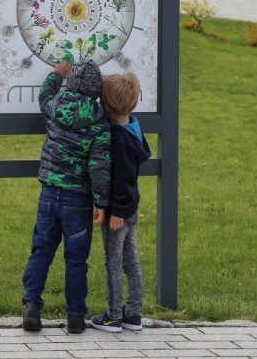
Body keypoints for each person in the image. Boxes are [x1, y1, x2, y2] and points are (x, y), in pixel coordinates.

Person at [21, 59, 111, 334]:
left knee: (41, 251)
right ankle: (75, 317)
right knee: (76, 261)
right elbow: (99, 168)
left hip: (49, 194)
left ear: (70, 83)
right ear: (97, 91)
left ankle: (32, 306)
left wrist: (55, 74)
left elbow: (44, 96)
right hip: (78, 201)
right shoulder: (99, 122)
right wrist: (102, 202)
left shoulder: (56, 107)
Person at [90, 72, 151, 333]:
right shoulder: (133, 128)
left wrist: (116, 212)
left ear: (105, 105)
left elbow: (122, 181)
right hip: (131, 210)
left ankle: (114, 315)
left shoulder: (118, 140)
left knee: (113, 262)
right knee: (130, 261)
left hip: (119, 212)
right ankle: (133, 313)